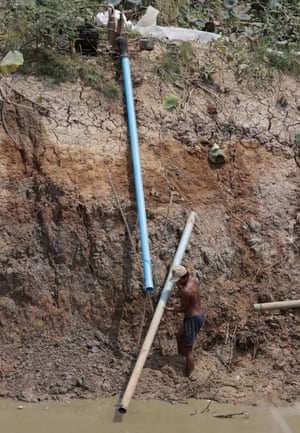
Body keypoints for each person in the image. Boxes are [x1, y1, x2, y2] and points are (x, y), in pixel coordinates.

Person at [165, 265, 205, 377]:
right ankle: (181, 357)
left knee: (188, 349)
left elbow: (183, 309)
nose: (176, 284)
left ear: (183, 278)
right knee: (179, 336)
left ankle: (190, 373)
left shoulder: (186, 291)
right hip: (198, 315)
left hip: (192, 319)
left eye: (177, 281)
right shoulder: (193, 280)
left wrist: (168, 309)